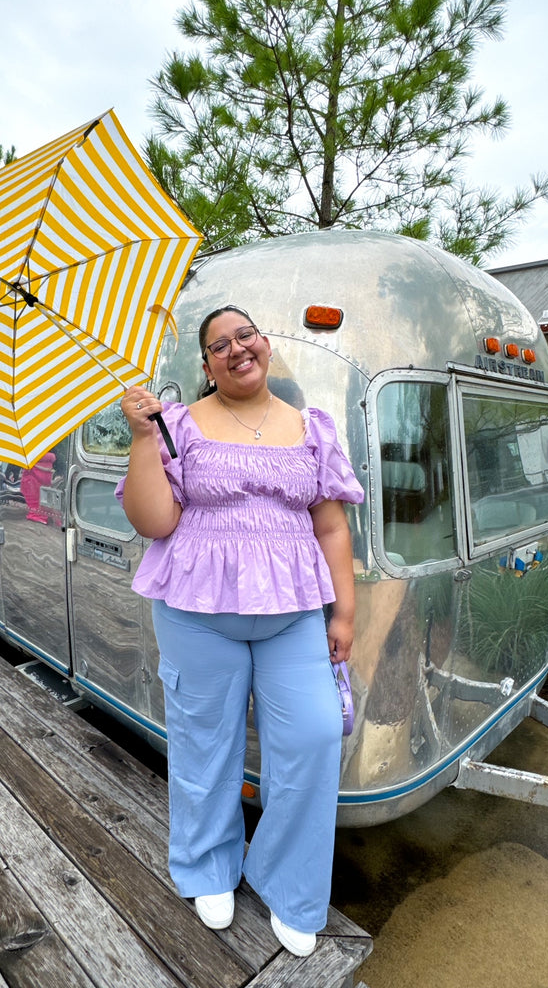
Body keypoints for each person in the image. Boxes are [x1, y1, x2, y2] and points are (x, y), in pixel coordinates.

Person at [116, 305, 364, 956]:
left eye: (244, 335)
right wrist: (144, 439)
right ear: (205, 366)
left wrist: (343, 613)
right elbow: (154, 523)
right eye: (218, 345)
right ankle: (208, 868)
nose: (234, 349)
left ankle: (291, 884)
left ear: (266, 345)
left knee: (311, 740)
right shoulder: (175, 425)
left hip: (293, 619)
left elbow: (332, 526)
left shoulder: (313, 428)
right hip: (199, 618)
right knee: (204, 747)